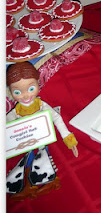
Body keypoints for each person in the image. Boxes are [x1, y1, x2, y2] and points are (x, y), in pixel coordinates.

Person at [6, 62, 79, 200]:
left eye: (31, 88)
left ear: (38, 84)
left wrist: (68, 138)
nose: (25, 96)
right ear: (10, 92)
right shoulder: (15, 112)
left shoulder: (41, 105)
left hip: (42, 137)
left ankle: (51, 180)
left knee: (44, 157)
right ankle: (29, 186)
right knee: (28, 159)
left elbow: (56, 118)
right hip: (25, 141)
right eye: (17, 92)